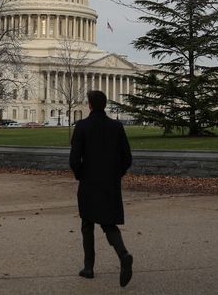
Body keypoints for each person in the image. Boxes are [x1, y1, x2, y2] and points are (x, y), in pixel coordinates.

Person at [69, 90, 134, 287]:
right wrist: (116, 174)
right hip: (110, 182)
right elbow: (127, 158)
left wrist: (81, 174)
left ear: (89, 105)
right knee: (108, 223)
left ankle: (89, 268)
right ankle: (123, 254)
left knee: (87, 224)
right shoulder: (116, 126)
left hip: (89, 182)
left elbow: (74, 159)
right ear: (104, 105)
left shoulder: (82, 126)